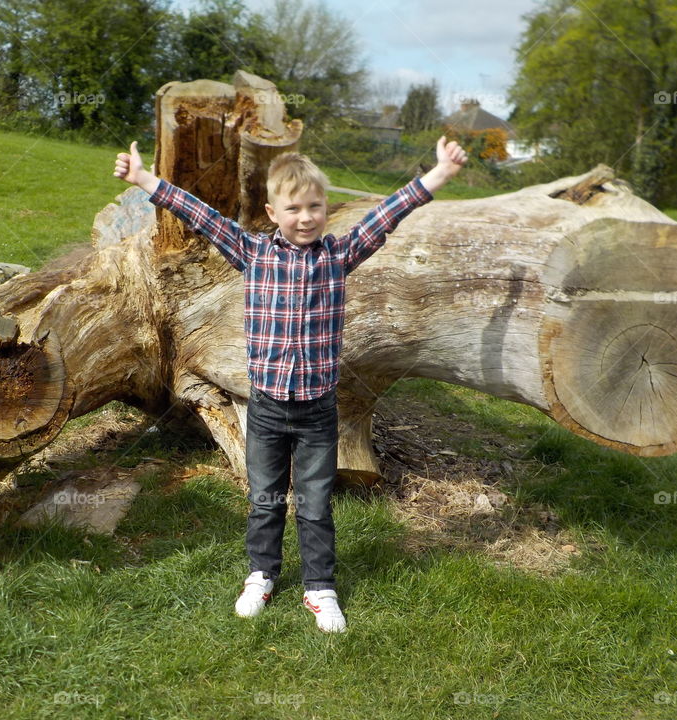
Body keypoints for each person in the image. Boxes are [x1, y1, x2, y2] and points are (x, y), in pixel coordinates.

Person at [114, 136, 467, 632]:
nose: (306, 217)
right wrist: (144, 179)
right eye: (294, 208)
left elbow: (388, 213)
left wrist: (441, 173)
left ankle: (319, 587)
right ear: (272, 212)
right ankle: (261, 573)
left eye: (315, 206)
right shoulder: (253, 252)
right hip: (266, 410)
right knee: (264, 499)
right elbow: (200, 215)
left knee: (316, 503)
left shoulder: (340, 255)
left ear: (326, 209)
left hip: (319, 412)